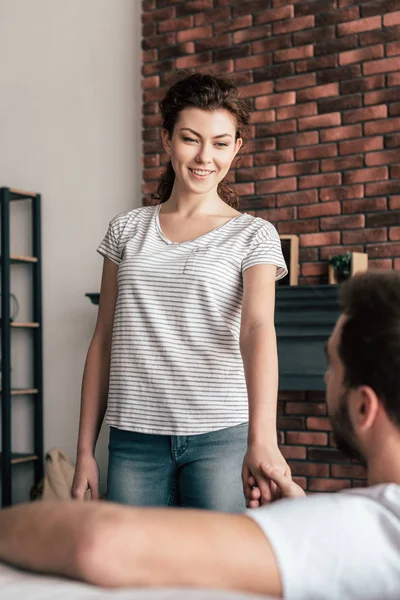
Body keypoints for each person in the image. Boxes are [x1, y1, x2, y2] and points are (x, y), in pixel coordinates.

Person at [1, 270, 400, 599]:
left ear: (363, 407)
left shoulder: (368, 527)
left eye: (332, 368)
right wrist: (301, 512)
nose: (325, 378)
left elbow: (99, 544)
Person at [71, 72, 289, 511]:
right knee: (133, 575)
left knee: (216, 573)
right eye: (191, 139)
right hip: (133, 440)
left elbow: (257, 331)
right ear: (167, 139)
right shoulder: (125, 230)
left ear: (237, 148)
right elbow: (104, 338)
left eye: (221, 142)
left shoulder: (254, 235)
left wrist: (262, 439)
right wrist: (83, 452)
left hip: (221, 439)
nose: (205, 156)